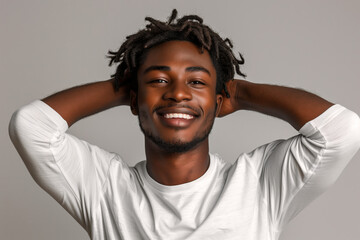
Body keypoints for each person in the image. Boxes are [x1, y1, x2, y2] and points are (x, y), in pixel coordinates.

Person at [8, 9, 360, 240]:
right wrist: (130, 87)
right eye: (160, 80)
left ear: (219, 101)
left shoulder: (258, 185)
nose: (177, 94)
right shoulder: (105, 190)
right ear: (134, 99)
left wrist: (239, 92)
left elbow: (341, 131)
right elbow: (31, 127)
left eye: (196, 82)